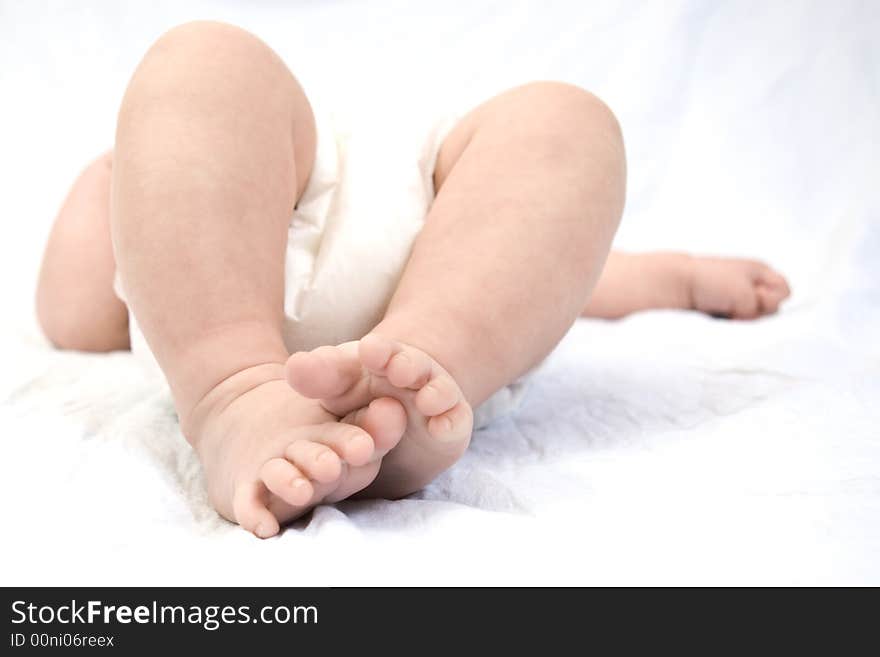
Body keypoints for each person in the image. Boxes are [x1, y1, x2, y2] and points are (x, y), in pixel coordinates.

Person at [35, 21, 790, 538]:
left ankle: (418, 368)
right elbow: (74, 313)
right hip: (336, 242)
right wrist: (122, 191)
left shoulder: (185, 198)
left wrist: (679, 277)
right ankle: (238, 392)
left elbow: (557, 271)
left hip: (429, 211)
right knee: (200, 62)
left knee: (564, 124)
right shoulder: (161, 251)